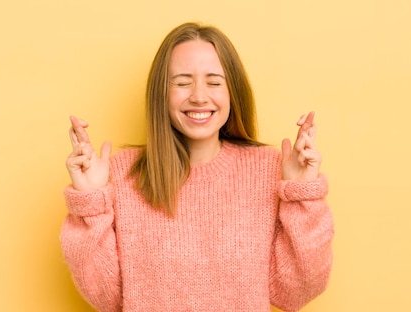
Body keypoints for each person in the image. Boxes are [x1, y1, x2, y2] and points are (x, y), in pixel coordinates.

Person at [60, 22, 334, 312]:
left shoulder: (269, 171)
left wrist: (302, 195)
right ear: (161, 94)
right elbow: (106, 297)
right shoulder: (121, 175)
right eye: (182, 82)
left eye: (214, 82)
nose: (199, 96)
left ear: (233, 92)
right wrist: (90, 203)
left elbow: (296, 291)